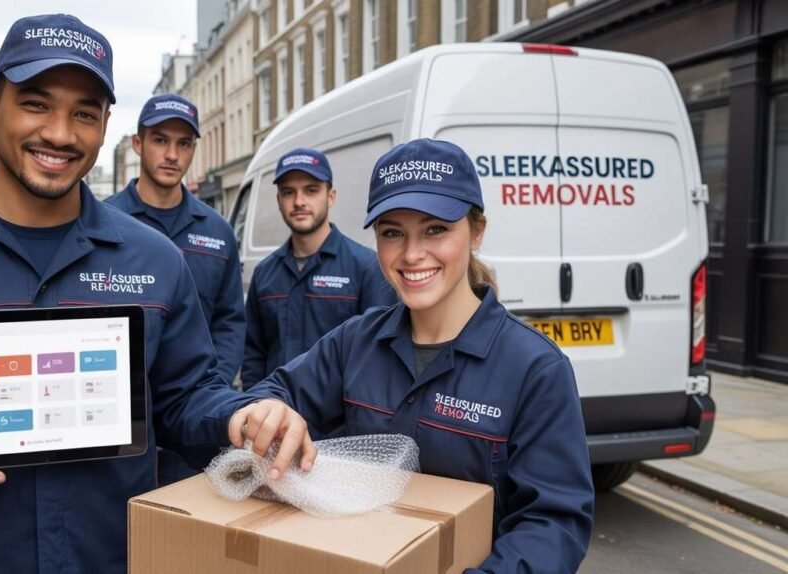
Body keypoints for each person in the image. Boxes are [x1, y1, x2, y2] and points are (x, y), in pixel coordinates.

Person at [0, 14, 314, 573]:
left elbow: (185, 394)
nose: (62, 133)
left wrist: (242, 415)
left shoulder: (156, 262)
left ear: (104, 126)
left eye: (85, 114)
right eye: (36, 103)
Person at [259, 139, 594, 572]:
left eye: (435, 229)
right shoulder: (354, 342)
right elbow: (275, 392)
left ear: (476, 232)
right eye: (392, 233)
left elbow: (553, 524)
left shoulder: (535, 369)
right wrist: (266, 411)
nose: (412, 254)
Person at [106, 95, 245, 484]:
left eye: (183, 144)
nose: (172, 154)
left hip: (193, 420)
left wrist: (211, 388)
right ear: (137, 144)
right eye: (160, 140)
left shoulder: (216, 231)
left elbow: (230, 318)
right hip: (123, 419)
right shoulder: (105, 222)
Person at [241, 147, 396, 390]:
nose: (299, 201)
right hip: (276, 416)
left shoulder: (366, 267)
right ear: (279, 201)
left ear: (331, 196)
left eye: (311, 191)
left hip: (338, 422)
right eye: (288, 192)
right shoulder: (265, 273)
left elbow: (378, 356)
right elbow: (253, 353)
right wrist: (255, 401)